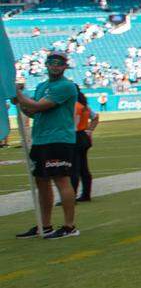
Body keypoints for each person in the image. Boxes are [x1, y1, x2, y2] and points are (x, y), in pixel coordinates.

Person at [11, 51, 80, 239]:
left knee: (61, 179)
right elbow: (35, 112)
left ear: (65, 66)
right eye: (51, 63)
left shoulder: (66, 86)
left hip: (58, 139)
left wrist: (17, 93)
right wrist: (21, 103)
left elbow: (41, 106)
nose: (55, 66)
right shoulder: (42, 86)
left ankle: (69, 225)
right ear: (46, 65)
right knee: (41, 182)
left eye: (59, 63)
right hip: (41, 138)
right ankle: (45, 225)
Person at [70, 91, 98, 202]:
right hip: (83, 136)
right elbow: (95, 117)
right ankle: (86, 194)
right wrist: (89, 130)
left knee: (74, 169)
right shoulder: (84, 106)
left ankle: (71, 196)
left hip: (73, 136)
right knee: (83, 168)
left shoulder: (72, 106)